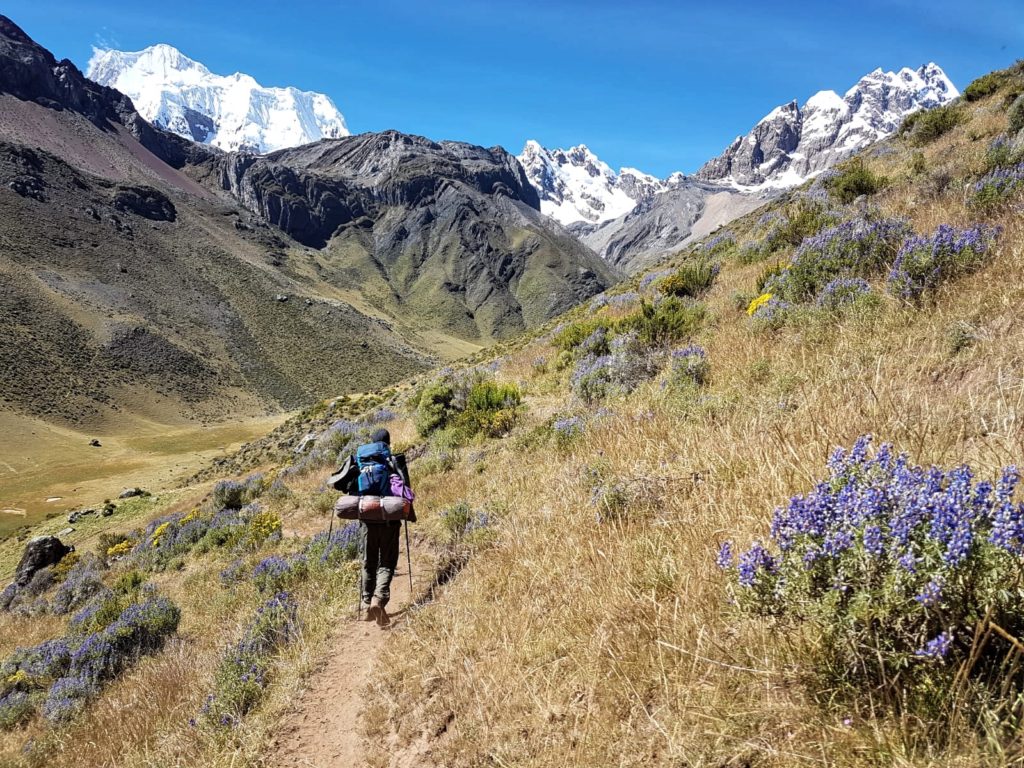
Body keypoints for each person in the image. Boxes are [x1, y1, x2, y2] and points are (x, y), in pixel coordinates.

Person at [356, 428, 413, 625]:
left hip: (367, 520)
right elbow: (407, 492)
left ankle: (365, 605)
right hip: (389, 521)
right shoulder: (392, 462)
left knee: (368, 561)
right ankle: (379, 601)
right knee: (387, 562)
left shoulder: (362, 463)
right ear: (387, 444)